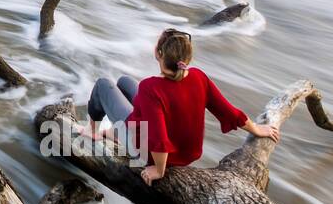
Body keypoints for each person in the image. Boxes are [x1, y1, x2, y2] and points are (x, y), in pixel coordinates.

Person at [87, 28, 280, 184]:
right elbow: (227, 111)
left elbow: (159, 137)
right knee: (125, 81)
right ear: (186, 58)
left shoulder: (150, 87)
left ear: (159, 53)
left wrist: (158, 170)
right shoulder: (199, 77)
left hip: (156, 155)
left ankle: (93, 130)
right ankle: (114, 132)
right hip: (188, 153)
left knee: (104, 85)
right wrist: (256, 129)